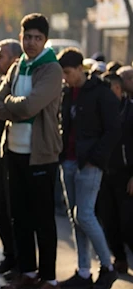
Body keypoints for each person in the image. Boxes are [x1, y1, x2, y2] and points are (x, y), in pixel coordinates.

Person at [0, 14, 63, 289]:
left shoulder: (51, 69)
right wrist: (10, 105)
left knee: (43, 219)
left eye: (37, 38)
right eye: (27, 37)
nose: (31, 42)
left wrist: (9, 104)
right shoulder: (17, 65)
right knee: (19, 217)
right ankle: (28, 273)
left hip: (40, 155)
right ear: (20, 37)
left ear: (45, 40)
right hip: (13, 151)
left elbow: (29, 107)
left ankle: (49, 277)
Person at [58, 49, 120, 289]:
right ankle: (84, 272)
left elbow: (113, 129)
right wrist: (63, 155)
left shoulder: (101, 92)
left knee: (84, 214)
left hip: (90, 163)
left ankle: (108, 266)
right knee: (76, 218)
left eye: (68, 72)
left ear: (79, 69)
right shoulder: (66, 92)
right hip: (70, 161)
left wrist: (96, 158)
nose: (65, 77)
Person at [0, 39, 21, 276]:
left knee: (15, 212)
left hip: (14, 157)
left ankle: (22, 263)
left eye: (1, 56)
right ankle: (9, 257)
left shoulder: (20, 89)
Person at [98, 70, 133, 274]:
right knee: (108, 219)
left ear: (118, 89)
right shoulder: (102, 113)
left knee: (128, 222)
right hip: (104, 173)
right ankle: (119, 258)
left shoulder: (130, 111)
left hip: (126, 175)